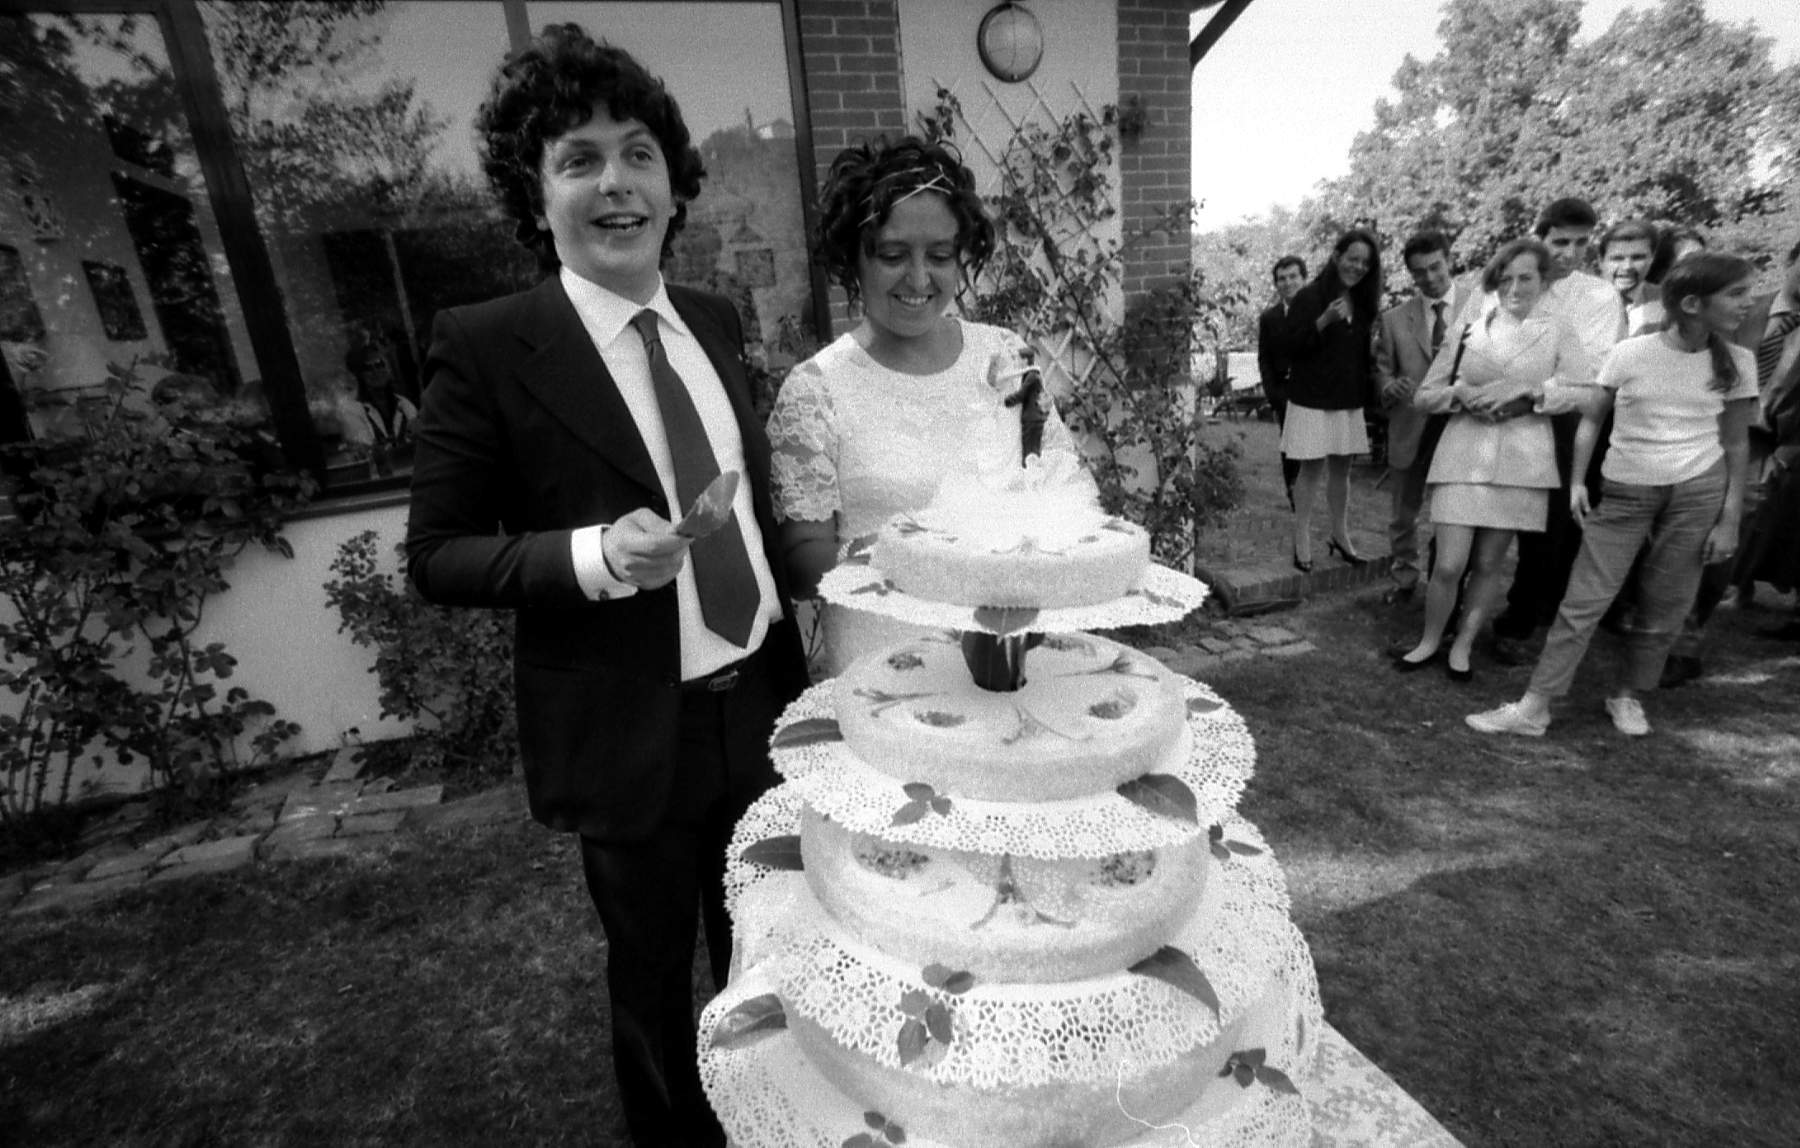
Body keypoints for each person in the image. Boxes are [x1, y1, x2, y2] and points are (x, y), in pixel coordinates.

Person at [403, 26, 808, 1146]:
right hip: (634, 729)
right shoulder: (488, 344)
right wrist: (588, 556)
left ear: (674, 186)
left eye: (638, 153)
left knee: (771, 946)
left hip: (761, 701)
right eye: (578, 159)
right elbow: (435, 553)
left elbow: (744, 502)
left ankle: (778, 1119)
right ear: (536, 198)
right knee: (652, 973)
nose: (615, 182)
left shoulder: (715, 321)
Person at [766, 135, 1078, 676]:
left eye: (939, 256)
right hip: (886, 668)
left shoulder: (1003, 356)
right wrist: (907, 554)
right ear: (853, 258)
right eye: (892, 255)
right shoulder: (816, 389)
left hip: (1010, 651)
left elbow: (1061, 486)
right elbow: (799, 568)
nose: (918, 279)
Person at [1467, 253, 1758, 738]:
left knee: (1665, 604)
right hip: (1626, 488)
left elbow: (1736, 443)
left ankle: (1627, 695)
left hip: (1697, 493)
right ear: (1692, 303)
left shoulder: (1739, 363)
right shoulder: (1631, 353)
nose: (1748, 302)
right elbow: (1593, 418)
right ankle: (1534, 708)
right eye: (1737, 293)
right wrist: (1578, 481)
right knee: (1583, 600)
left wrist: (1728, 520)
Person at [1393, 239, 1595, 681]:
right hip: (1463, 454)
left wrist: (1533, 393)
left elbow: (1584, 392)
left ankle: (1463, 646)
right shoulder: (1469, 329)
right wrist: (1460, 393)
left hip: (1522, 461)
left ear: (1543, 280)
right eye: (1505, 279)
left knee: (1488, 564)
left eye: (1525, 278)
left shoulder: (1558, 329)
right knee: (1449, 563)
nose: (1514, 288)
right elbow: (1425, 395)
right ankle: (1429, 640)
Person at [1489, 196, 1626, 660]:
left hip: (1564, 423)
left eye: (1581, 243)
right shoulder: (1514, 283)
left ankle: (1522, 618)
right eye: (1560, 241)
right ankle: (1450, 614)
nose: (1570, 252)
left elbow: (1593, 376)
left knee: (1549, 529)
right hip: (1498, 415)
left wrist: (1532, 391)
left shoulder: (1600, 297)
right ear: (1540, 237)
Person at [1374, 231, 1471, 603]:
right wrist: (1389, 386)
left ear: (1449, 260)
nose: (1429, 278)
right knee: (1403, 514)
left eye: (1435, 267)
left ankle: (1451, 585)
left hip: (1463, 427)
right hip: (1411, 426)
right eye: (1419, 272)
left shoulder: (1481, 307)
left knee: (1456, 514)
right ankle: (1404, 578)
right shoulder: (1394, 319)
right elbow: (1382, 371)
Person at [1280, 228, 1382, 572]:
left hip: (1347, 398)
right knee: (1311, 470)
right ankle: (1302, 537)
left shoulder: (1363, 301)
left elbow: (1360, 354)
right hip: (1312, 399)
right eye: (1353, 258)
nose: (1358, 267)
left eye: (1365, 263)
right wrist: (1323, 321)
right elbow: (1291, 348)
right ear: (1337, 256)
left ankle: (1340, 534)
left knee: (1343, 470)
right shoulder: (1309, 297)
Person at [1257, 255, 1307, 507]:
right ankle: (1294, 492)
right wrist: (1274, 395)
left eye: (1293, 277)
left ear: (1304, 278)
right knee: (1291, 446)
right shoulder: (1269, 318)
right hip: (1286, 392)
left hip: (1316, 390)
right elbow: (1264, 358)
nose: (1287, 283)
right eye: (1281, 279)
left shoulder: (1321, 312)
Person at [340, 338, 417, 477]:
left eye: (379, 364)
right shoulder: (351, 411)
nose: (376, 371)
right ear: (359, 375)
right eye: (368, 368)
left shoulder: (404, 403)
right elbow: (367, 453)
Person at [1599, 219, 1662, 335]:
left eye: (1637, 258)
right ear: (1601, 262)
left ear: (1651, 259)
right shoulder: (1579, 304)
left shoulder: (1667, 303)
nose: (1627, 266)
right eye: (1617, 258)